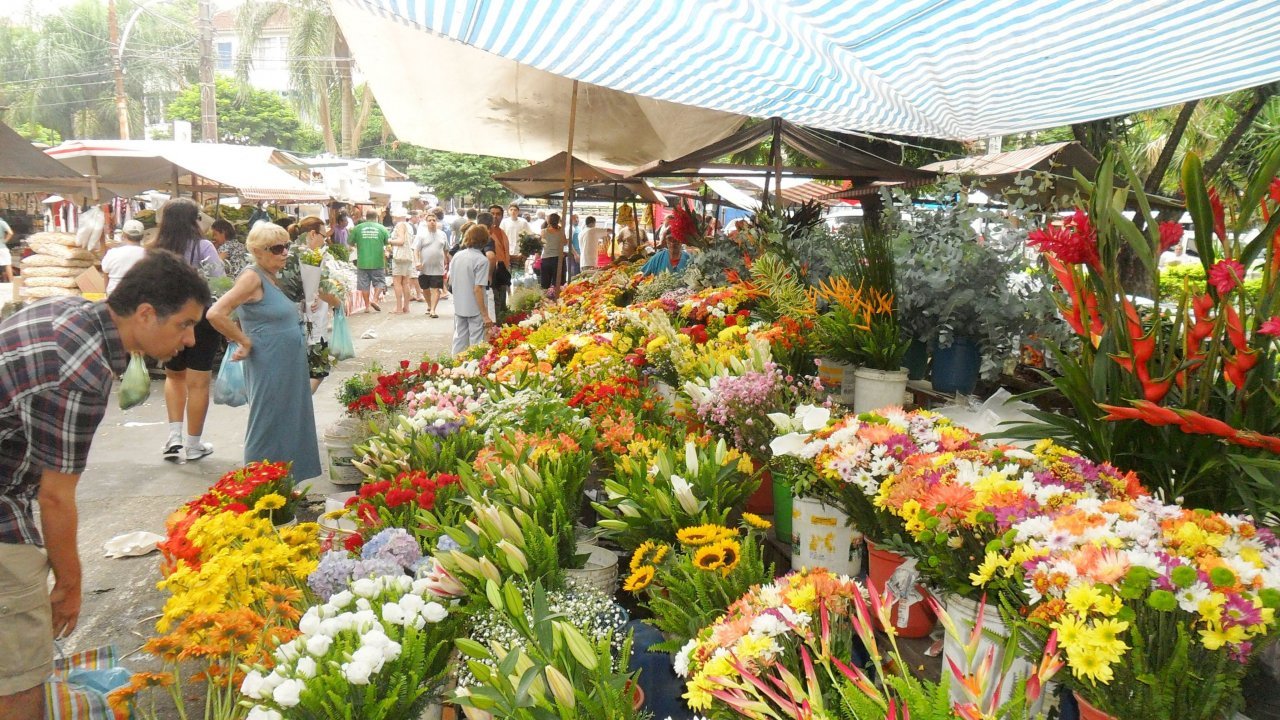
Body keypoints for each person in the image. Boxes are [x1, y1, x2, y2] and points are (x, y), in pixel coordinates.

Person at [0, 252, 208, 720]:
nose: (191, 339)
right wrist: (69, 584)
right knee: (17, 667)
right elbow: (55, 496)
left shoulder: (71, 312)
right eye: (185, 324)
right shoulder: (80, 371)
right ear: (145, 314)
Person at [207, 224, 323, 480]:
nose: (284, 253)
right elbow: (215, 313)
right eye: (277, 248)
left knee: (288, 419)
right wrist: (243, 341)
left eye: (287, 246)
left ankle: (283, 481)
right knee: (267, 422)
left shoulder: (270, 276)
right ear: (259, 251)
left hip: (285, 361)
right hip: (270, 363)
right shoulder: (252, 277)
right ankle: (256, 483)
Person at [152, 197, 225, 463]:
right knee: (198, 382)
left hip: (168, 320)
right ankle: (194, 445)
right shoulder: (204, 247)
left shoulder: (155, 250)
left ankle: (174, 436)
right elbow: (219, 282)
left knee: (174, 377)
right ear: (193, 220)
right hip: (202, 318)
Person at [449, 224, 496, 355]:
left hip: (459, 305)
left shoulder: (457, 256)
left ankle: (455, 368)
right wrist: (485, 315)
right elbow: (478, 289)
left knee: (459, 339)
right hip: (475, 308)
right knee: (477, 343)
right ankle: (473, 369)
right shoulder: (482, 260)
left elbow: (451, 281)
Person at [351, 209, 389, 313]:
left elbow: (350, 242)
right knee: (380, 282)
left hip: (362, 261)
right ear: (376, 217)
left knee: (364, 285)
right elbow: (387, 242)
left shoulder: (357, 228)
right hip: (378, 261)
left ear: (365, 217)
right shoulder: (382, 228)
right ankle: (375, 300)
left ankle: (367, 307)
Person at [414, 213, 448, 318]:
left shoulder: (442, 234)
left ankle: (433, 310)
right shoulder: (421, 235)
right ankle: (429, 305)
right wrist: (417, 262)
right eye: (430, 220)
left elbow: (446, 249)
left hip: (438, 267)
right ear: (426, 222)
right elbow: (416, 250)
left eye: (434, 220)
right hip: (424, 268)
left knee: (436, 289)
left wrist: (447, 260)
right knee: (425, 288)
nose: (432, 222)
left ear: (437, 222)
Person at [102, 219, 146, 294]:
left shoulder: (113, 253)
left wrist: (106, 295)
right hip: (139, 297)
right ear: (142, 236)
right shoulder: (149, 255)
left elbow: (106, 274)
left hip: (115, 295)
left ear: (123, 235)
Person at [485, 205, 512, 318]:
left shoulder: (502, 232)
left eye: (498, 214)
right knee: (494, 302)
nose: (495, 216)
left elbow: (504, 251)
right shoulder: (485, 233)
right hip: (491, 271)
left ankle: (501, 327)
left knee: (501, 301)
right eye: (492, 214)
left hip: (503, 270)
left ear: (502, 216)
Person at [388, 210, 415, 313]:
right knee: (406, 282)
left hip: (399, 256)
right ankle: (406, 307)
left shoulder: (400, 225)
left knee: (397, 282)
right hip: (408, 256)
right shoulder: (409, 226)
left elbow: (400, 241)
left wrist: (389, 241)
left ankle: (398, 307)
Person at [539, 212, 566, 289]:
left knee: (545, 285)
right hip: (558, 259)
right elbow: (565, 242)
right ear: (558, 221)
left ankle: (545, 299)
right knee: (558, 284)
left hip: (546, 259)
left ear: (548, 221)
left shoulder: (543, 231)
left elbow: (541, 243)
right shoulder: (561, 231)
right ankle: (556, 299)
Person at [565, 213, 581, 281]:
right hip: (573, 254)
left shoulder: (578, 228)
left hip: (578, 254)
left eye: (577, 218)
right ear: (570, 220)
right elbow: (569, 242)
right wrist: (575, 254)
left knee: (578, 274)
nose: (577, 220)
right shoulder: (570, 228)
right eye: (575, 218)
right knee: (574, 274)